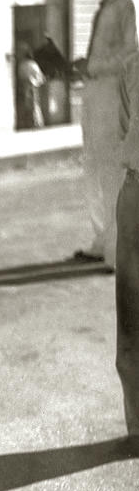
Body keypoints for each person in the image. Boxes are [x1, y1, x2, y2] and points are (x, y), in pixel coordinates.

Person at [71, 0, 139, 266]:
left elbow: (132, 53)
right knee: (93, 170)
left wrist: (94, 65)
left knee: (112, 172)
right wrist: (84, 66)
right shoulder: (103, 9)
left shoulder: (128, 6)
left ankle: (117, 252)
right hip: (94, 96)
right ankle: (101, 240)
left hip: (113, 97)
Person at [115, 50, 139, 450]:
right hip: (136, 188)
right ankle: (137, 426)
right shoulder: (134, 63)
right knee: (132, 316)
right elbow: (124, 121)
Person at [16, 40, 45, 129]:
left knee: (32, 105)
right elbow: (41, 78)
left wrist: (33, 82)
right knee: (29, 105)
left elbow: (40, 77)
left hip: (30, 87)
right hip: (27, 87)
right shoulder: (27, 64)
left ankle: (35, 123)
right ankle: (32, 123)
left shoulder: (28, 64)